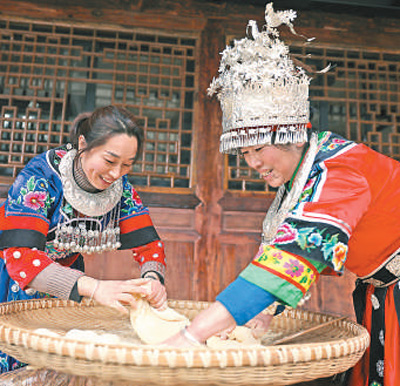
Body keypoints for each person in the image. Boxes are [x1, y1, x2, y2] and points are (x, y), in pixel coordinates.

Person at [163, 3, 400, 386]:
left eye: (259, 149)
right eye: (245, 154)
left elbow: (292, 258)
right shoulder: (298, 184)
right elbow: (273, 256)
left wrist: (190, 337)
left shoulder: (339, 171)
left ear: (290, 135)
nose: (253, 163)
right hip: (383, 290)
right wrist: (259, 314)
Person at [0, 105, 167, 373]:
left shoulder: (119, 189)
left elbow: (149, 246)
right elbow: (22, 258)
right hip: (11, 278)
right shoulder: (40, 177)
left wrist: (152, 280)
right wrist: (96, 288)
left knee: (59, 364)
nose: (116, 174)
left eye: (127, 165)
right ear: (83, 144)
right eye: (110, 161)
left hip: (70, 286)